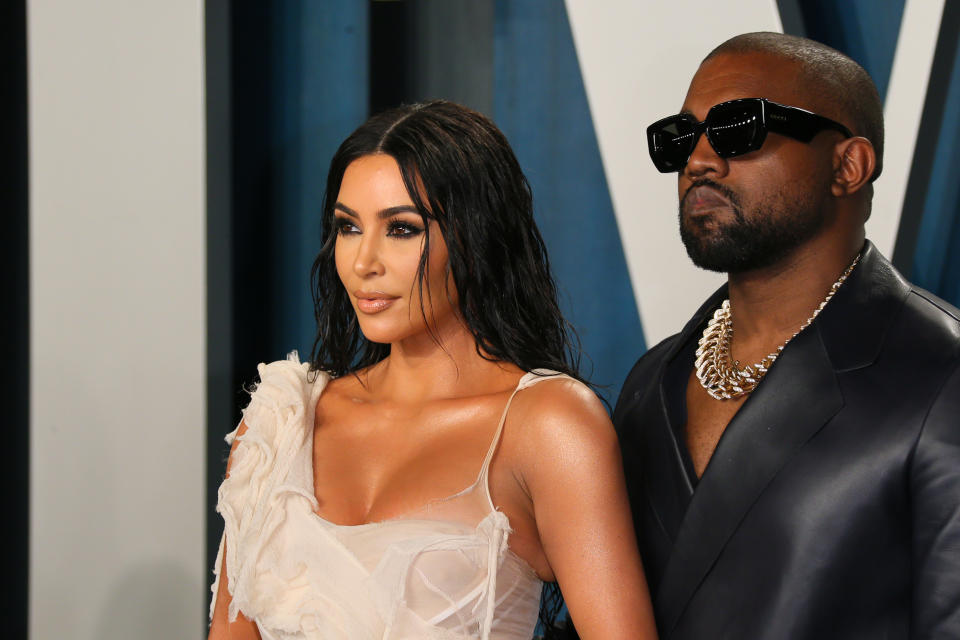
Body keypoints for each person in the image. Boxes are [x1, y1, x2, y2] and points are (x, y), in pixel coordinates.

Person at [208, 100, 658, 640]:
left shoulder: (548, 424)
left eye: (401, 229)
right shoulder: (280, 423)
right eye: (348, 228)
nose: (362, 262)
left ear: (475, 237)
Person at [614, 32, 960, 639]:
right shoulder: (651, 383)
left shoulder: (943, 377)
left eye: (738, 128)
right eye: (681, 137)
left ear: (847, 165)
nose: (698, 160)